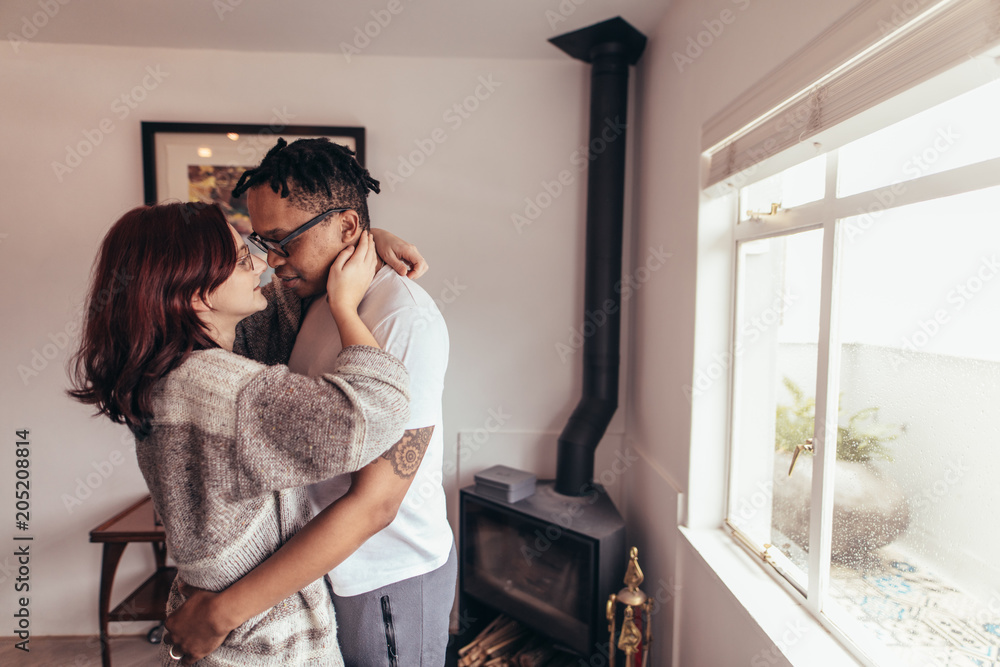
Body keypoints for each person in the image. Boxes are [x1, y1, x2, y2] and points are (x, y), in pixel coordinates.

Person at [68, 201, 410, 666]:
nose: (262, 265)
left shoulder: (171, 369)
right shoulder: (219, 387)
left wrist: (361, 239)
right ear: (194, 292)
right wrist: (346, 307)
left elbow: (282, 311)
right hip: (265, 643)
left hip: (230, 624)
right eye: (242, 259)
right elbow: (374, 414)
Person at [166, 137, 455, 666]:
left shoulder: (401, 317)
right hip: (316, 571)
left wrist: (222, 614)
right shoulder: (312, 293)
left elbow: (377, 504)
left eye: (284, 241)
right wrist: (363, 238)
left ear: (345, 228)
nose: (272, 261)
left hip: (383, 574)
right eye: (262, 242)